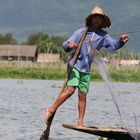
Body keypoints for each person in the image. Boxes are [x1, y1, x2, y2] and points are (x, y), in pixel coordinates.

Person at [45, 6, 129, 127]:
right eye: (95, 18)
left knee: (82, 95)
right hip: (75, 65)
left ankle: (80, 122)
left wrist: (121, 41)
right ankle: (51, 109)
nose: (97, 20)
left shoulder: (103, 35)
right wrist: (70, 45)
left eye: (100, 18)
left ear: (102, 21)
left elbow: (112, 46)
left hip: (86, 69)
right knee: (70, 90)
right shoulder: (81, 32)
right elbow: (65, 45)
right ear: (91, 19)